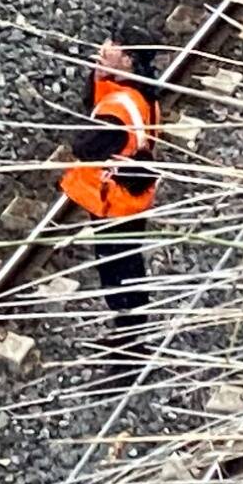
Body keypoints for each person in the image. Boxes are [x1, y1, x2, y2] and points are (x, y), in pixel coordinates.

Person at [60, 30, 162, 336]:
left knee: (117, 267)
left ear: (128, 60)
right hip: (130, 197)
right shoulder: (139, 94)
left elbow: (85, 146)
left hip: (114, 202)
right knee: (128, 261)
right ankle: (133, 328)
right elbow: (95, 100)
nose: (103, 49)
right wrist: (99, 75)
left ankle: (130, 335)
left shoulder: (118, 112)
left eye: (113, 48)